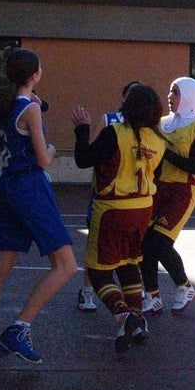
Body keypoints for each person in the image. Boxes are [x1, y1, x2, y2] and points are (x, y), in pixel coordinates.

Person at [0, 48, 78, 363]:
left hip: (10, 185)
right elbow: (43, 160)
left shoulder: (10, 106)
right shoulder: (30, 110)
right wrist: (54, 148)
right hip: (30, 187)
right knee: (66, 265)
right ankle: (20, 327)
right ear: (35, 74)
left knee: (1, 265)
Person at [72, 83, 166, 353]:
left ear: (128, 106)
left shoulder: (116, 133)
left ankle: (125, 314)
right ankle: (137, 324)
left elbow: (83, 159)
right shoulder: (159, 140)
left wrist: (81, 129)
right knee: (129, 264)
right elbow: (155, 176)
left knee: (99, 272)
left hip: (113, 207)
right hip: (142, 208)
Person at [140, 76, 195, 315]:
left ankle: (184, 286)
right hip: (158, 188)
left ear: (190, 97)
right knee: (144, 242)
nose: (170, 97)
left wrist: (165, 152)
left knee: (159, 242)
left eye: (176, 93)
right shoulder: (162, 124)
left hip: (183, 190)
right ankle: (152, 295)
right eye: (170, 92)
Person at [76, 81, 140, 313]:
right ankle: (87, 291)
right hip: (106, 195)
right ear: (124, 99)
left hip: (134, 199)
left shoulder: (146, 126)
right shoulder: (109, 120)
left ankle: (132, 298)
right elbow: (90, 151)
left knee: (132, 250)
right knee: (96, 243)